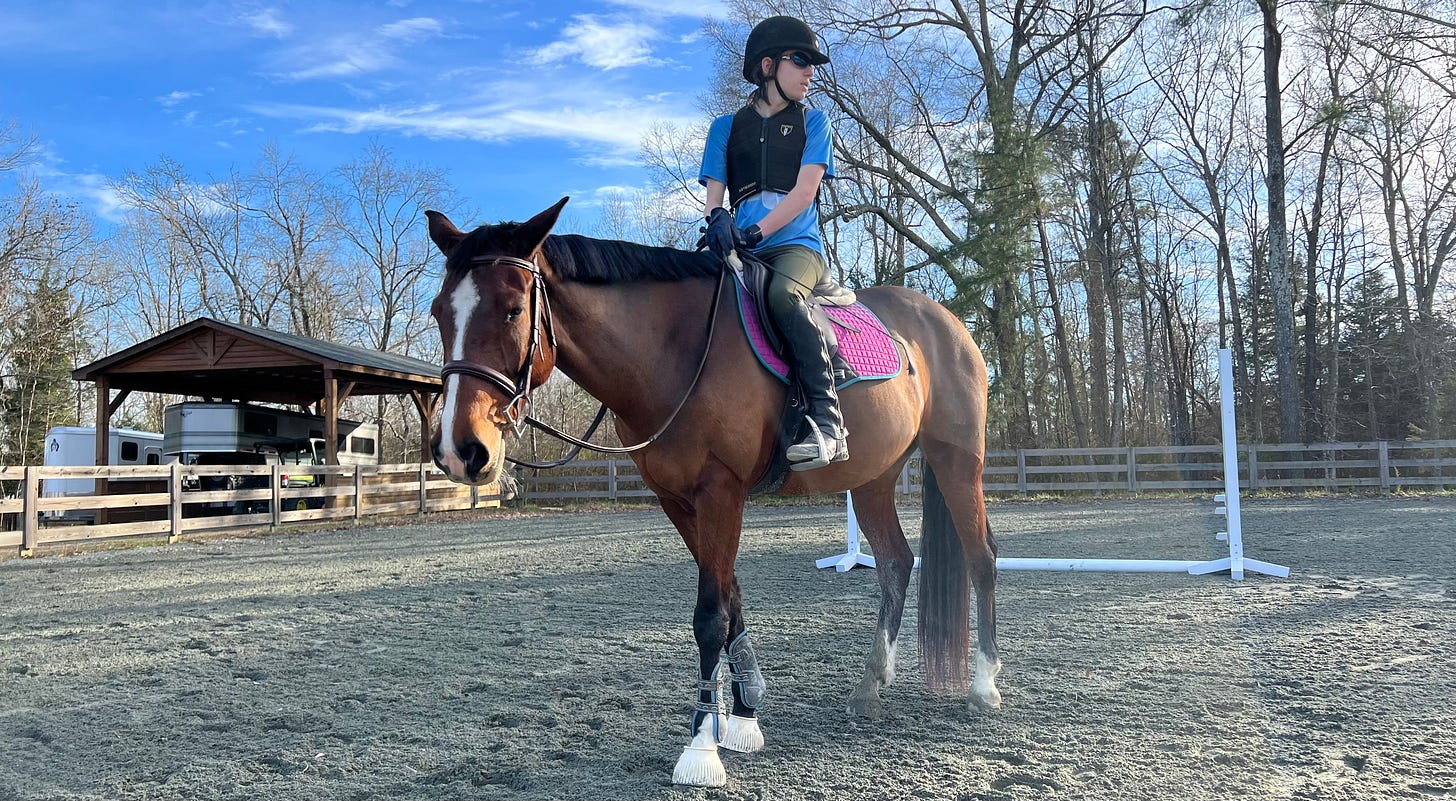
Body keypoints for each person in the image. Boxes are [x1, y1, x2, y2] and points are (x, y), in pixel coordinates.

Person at [698, 14, 847, 471]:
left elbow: (806, 193)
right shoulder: (725, 127)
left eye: (811, 63)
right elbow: (714, 199)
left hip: (796, 249)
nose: (810, 72)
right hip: (741, 251)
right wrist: (718, 220)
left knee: (784, 296)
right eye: (800, 60)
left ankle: (829, 423)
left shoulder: (814, 122)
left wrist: (756, 232)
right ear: (767, 66)